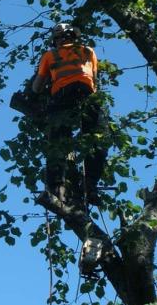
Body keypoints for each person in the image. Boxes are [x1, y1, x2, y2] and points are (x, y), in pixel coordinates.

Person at [32, 23, 107, 205]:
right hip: (88, 97)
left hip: (62, 97)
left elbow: (36, 87)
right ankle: (90, 185)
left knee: (57, 141)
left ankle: (56, 186)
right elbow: (94, 81)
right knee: (97, 140)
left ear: (57, 39)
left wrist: (46, 86)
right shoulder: (88, 52)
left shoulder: (50, 55)